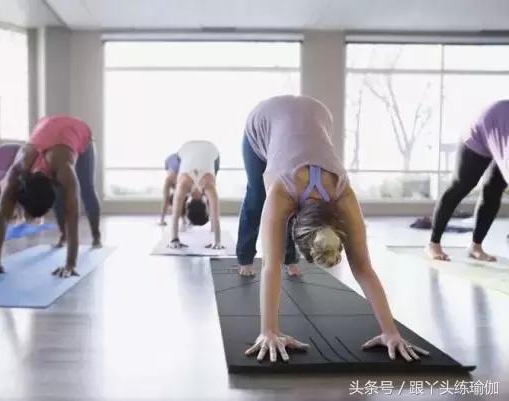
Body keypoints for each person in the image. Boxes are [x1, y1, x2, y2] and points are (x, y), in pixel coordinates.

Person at [240, 95, 429, 363]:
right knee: (256, 199)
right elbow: (271, 265)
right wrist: (268, 332)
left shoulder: (344, 194)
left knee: (273, 225)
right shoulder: (280, 190)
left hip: (319, 114)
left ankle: (291, 260)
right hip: (264, 117)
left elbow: (363, 268)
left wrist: (391, 333)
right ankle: (242, 256)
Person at [0, 115, 101, 278]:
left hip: (78, 130)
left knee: (87, 189)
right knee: (63, 199)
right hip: (49, 129)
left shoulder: (65, 169)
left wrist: (70, 265)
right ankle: (63, 236)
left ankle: (96, 237)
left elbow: (73, 218)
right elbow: (2, 217)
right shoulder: (16, 174)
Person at [427, 100, 509, 262]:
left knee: (493, 190)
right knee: (462, 185)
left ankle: (475, 246)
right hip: (480, 130)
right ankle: (433, 243)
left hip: (501, 133)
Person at [167, 140, 223, 249]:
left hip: (206, 149)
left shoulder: (206, 185)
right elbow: (215, 216)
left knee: (212, 178)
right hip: (193, 149)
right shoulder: (190, 185)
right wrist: (217, 242)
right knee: (211, 179)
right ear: (187, 206)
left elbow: (175, 215)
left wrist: (217, 241)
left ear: (205, 207)